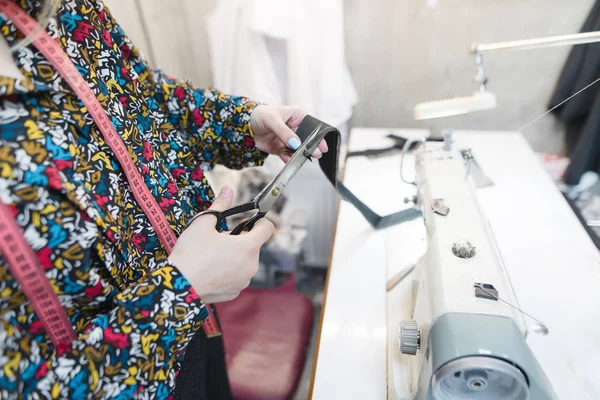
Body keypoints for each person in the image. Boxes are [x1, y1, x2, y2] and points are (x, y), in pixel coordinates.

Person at [0, 0, 327, 398]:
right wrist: (175, 294)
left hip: (196, 326)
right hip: (144, 362)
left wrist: (240, 123)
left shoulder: (60, 8)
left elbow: (142, 96)